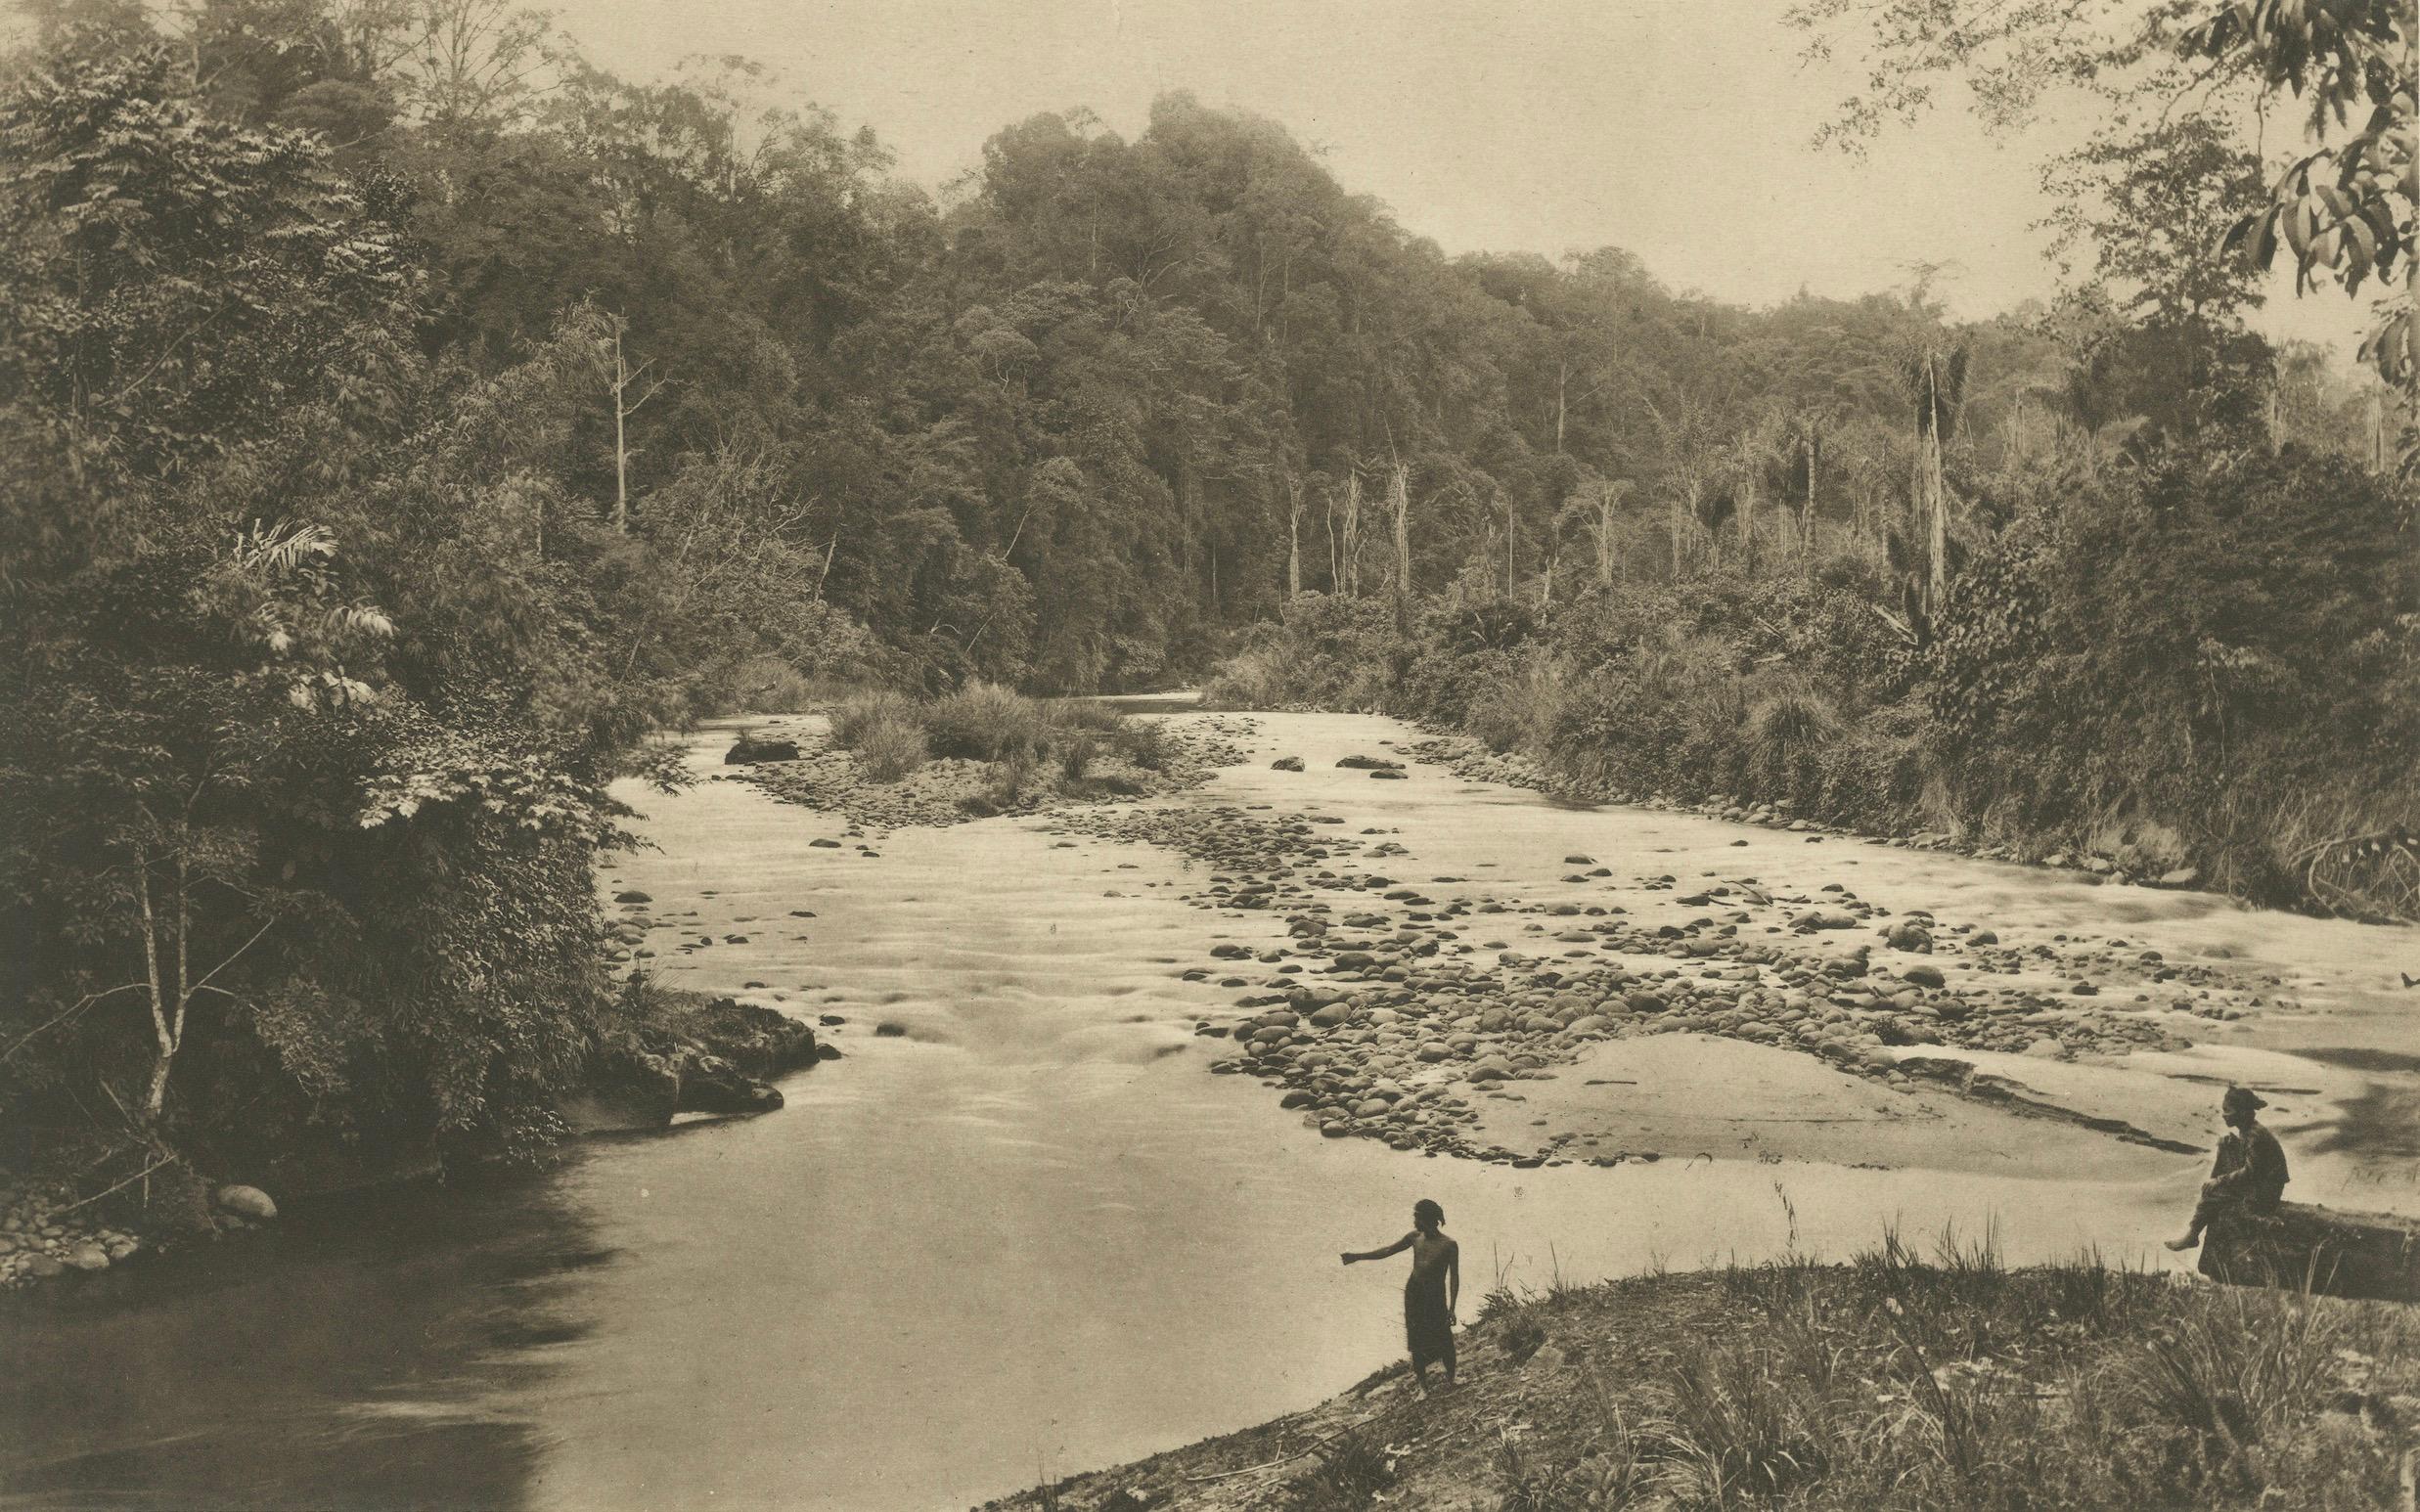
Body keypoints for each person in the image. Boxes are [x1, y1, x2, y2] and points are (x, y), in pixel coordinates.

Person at [1342, 1198, 1460, 1391]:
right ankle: (1423, 1387)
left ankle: (1451, 1380)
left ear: (1428, 1219)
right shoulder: (1414, 1237)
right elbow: (1388, 1250)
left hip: (1435, 1296)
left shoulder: (1448, 1244)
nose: (1414, 1221)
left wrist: (1452, 1308)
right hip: (1414, 1293)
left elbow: (1454, 1277)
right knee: (1416, 1340)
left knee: (1444, 1338)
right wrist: (1358, 1256)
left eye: (1417, 1217)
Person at [2165, 1086, 2289, 1251]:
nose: (2223, 1115)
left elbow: (2251, 1173)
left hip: (2266, 1192)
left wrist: (2219, 1181)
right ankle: (2213, 1187)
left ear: (2242, 1112)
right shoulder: (2248, 1130)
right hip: (2264, 1182)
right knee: (2225, 1144)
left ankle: (2193, 1235)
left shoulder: (2254, 1135)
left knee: (2211, 1195)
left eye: (2227, 1110)